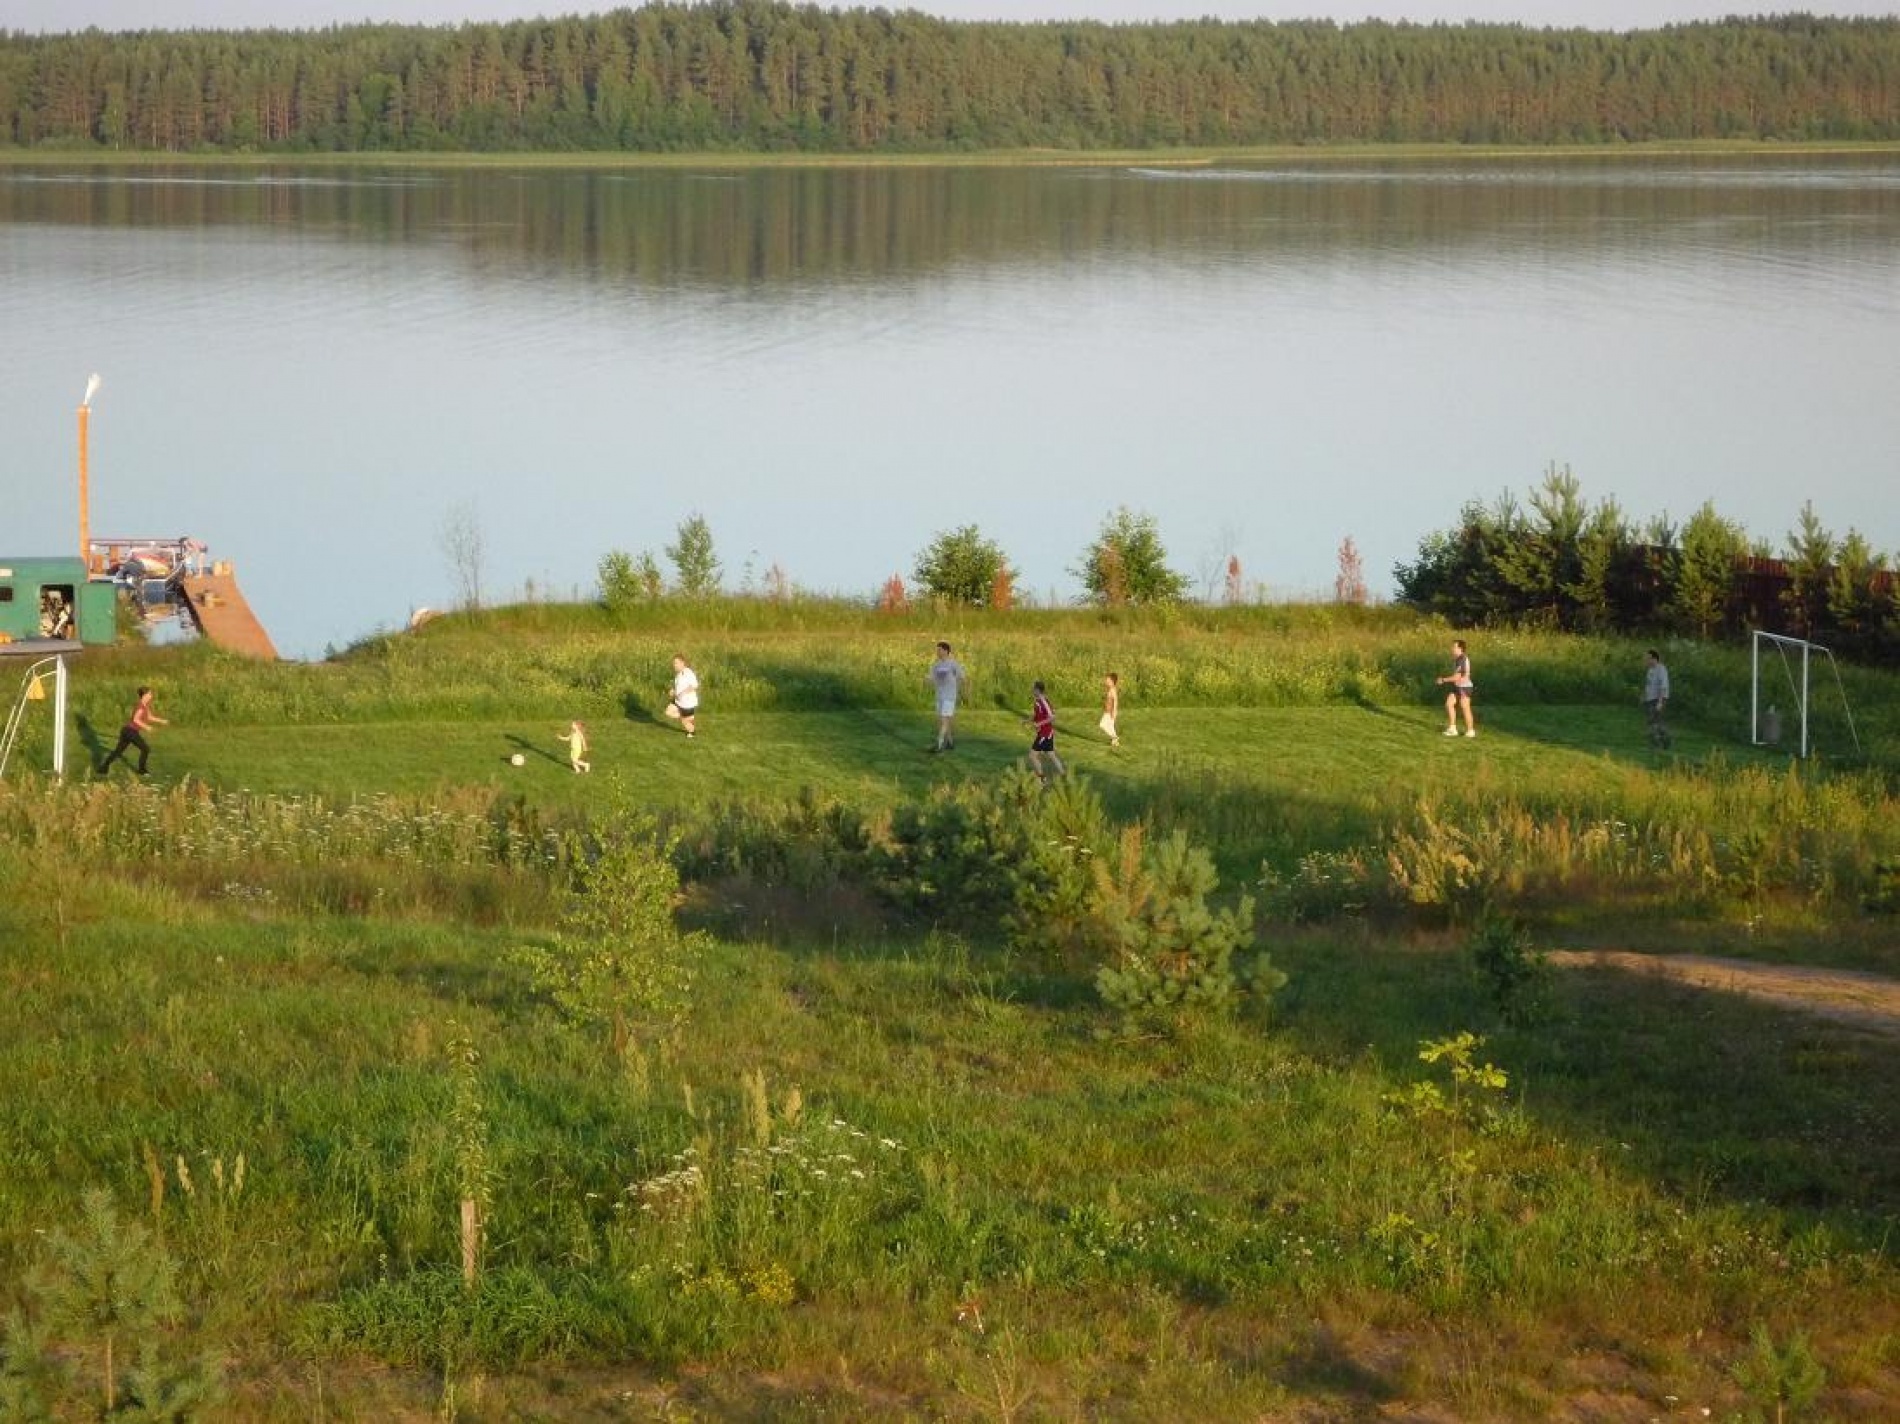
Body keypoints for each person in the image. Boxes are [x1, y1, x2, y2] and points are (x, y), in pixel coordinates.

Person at [98, 685, 168, 776]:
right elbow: (135, 719)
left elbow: (150, 717)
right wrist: (146, 727)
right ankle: (142, 770)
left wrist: (161, 721)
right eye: (150, 693)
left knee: (118, 752)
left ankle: (103, 768)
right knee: (145, 749)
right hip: (130, 731)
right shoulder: (140, 706)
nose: (151, 695)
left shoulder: (145, 705)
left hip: (127, 731)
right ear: (145, 695)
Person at [928, 641, 968, 752]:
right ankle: (950, 743)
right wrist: (927, 680)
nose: (937, 652)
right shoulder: (936, 665)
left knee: (944, 720)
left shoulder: (953, 664)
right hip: (939, 696)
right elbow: (932, 678)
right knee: (942, 721)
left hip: (949, 696)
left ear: (946, 651)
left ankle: (939, 744)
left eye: (939, 650)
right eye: (937, 650)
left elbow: (963, 678)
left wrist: (965, 693)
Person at [1435, 638, 1476, 738]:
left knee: (1465, 708)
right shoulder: (1457, 659)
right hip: (1457, 687)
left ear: (1460, 648)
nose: (1452, 649)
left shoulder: (1462, 659)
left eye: (1454, 647)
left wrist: (1443, 680)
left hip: (1464, 687)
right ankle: (1452, 729)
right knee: (1449, 704)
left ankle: (1470, 731)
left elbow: (1457, 677)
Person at [1027, 680, 1066, 782]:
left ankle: (1042, 779)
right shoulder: (1037, 700)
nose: (1032, 690)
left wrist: (1039, 724)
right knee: (1051, 754)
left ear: (1037, 690)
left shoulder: (1044, 701)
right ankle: (1064, 775)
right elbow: (1037, 715)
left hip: (1045, 734)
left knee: (1032, 755)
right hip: (1044, 733)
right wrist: (1027, 720)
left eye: (1033, 688)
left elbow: (1052, 717)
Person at [1643, 649, 1672, 749]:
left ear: (1654, 659)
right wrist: (1644, 696)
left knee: (1654, 721)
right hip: (1650, 699)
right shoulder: (1650, 670)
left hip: (1659, 699)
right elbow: (1649, 685)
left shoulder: (1661, 669)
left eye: (1648, 658)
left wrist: (1660, 702)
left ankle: (1658, 743)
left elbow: (1663, 686)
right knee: (1655, 721)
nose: (1646, 660)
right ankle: (1665, 741)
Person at [667, 656, 699, 738]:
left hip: (687, 703)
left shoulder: (688, 673)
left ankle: (692, 732)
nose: (674, 665)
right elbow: (678, 686)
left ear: (682, 663)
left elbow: (694, 685)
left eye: (676, 663)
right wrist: (673, 691)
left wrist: (682, 693)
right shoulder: (678, 674)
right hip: (678, 700)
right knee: (669, 712)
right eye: (673, 663)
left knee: (685, 723)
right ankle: (689, 719)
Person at [1099, 671, 1121, 749]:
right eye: (1106, 680)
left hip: (1110, 712)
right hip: (1107, 711)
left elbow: (1115, 700)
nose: (1106, 682)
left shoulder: (1113, 690)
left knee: (1102, 725)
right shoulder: (1110, 689)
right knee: (1111, 727)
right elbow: (1109, 700)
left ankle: (1114, 737)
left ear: (1112, 682)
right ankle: (1115, 742)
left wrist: (1114, 711)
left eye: (1108, 681)